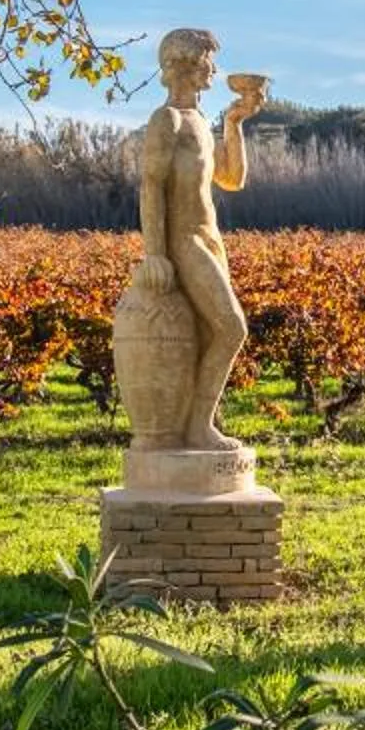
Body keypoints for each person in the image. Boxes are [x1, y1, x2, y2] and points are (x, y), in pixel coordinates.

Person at [132, 27, 262, 451]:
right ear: (188, 64)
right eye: (209, 59)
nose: (215, 69)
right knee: (231, 328)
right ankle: (198, 427)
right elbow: (151, 187)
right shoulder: (165, 120)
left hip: (209, 240)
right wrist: (154, 253)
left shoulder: (202, 123)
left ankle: (196, 427)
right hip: (183, 240)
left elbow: (233, 179)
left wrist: (234, 122)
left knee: (212, 332)